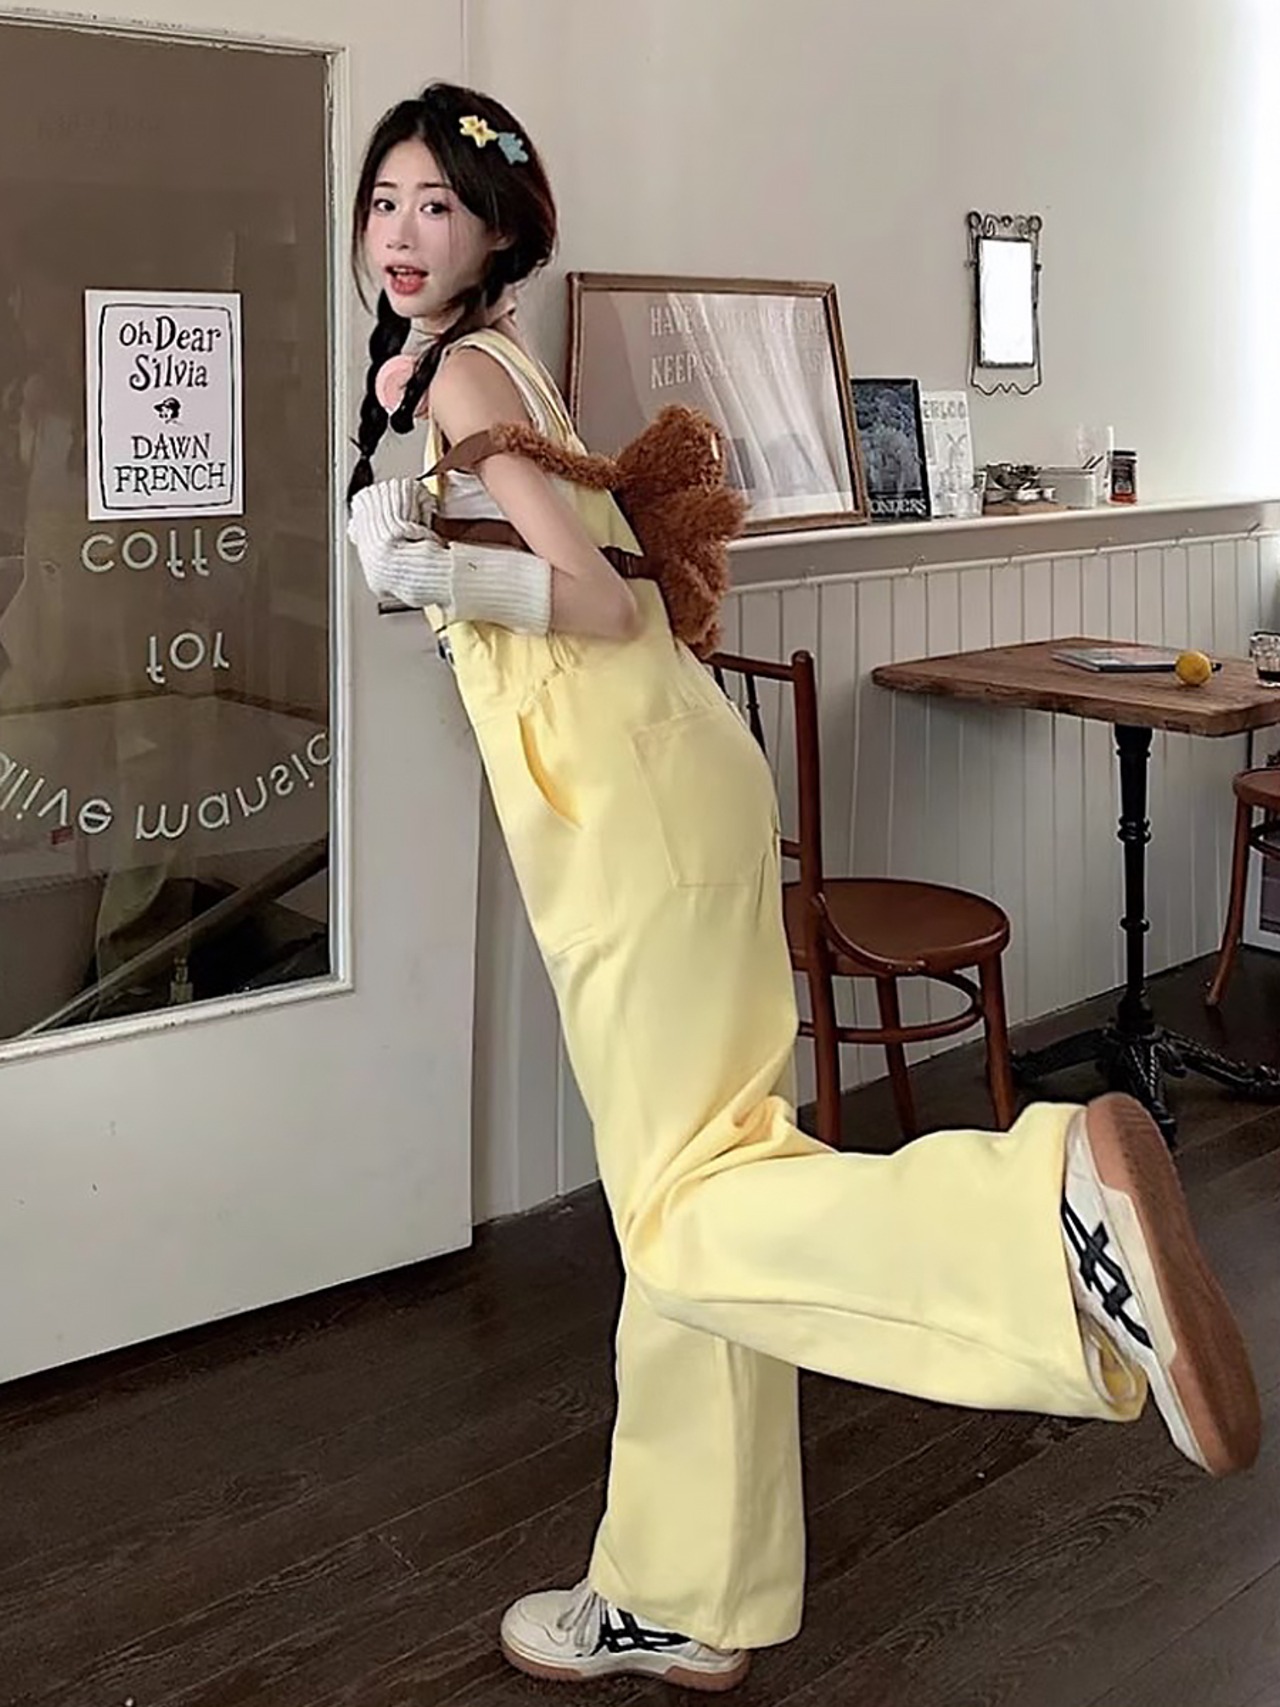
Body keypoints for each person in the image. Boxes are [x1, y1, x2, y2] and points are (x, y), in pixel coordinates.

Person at [346, 82, 1262, 1694]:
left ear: (496, 233)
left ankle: (1044, 1225)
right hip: (668, 788)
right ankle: (683, 1587)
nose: (402, 232)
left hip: (626, 816)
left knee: (684, 1207)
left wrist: (427, 568)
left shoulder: (469, 372)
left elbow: (598, 604)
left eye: (438, 204)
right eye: (385, 200)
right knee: (706, 1177)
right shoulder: (485, 364)